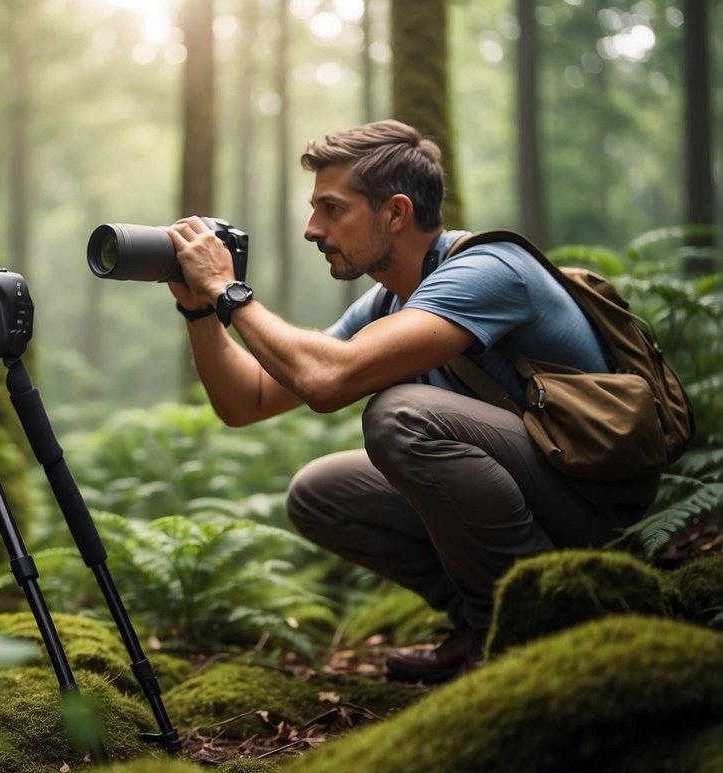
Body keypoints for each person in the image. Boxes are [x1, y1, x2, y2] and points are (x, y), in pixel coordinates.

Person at [164, 119, 651, 683]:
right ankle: (480, 622)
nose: (312, 229)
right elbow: (245, 400)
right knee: (321, 493)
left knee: (402, 417)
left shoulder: (487, 272)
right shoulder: (391, 300)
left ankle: (531, 624)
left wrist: (229, 291)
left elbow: (328, 382)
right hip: (542, 493)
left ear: (394, 213)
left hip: (596, 505)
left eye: (331, 208)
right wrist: (200, 310)